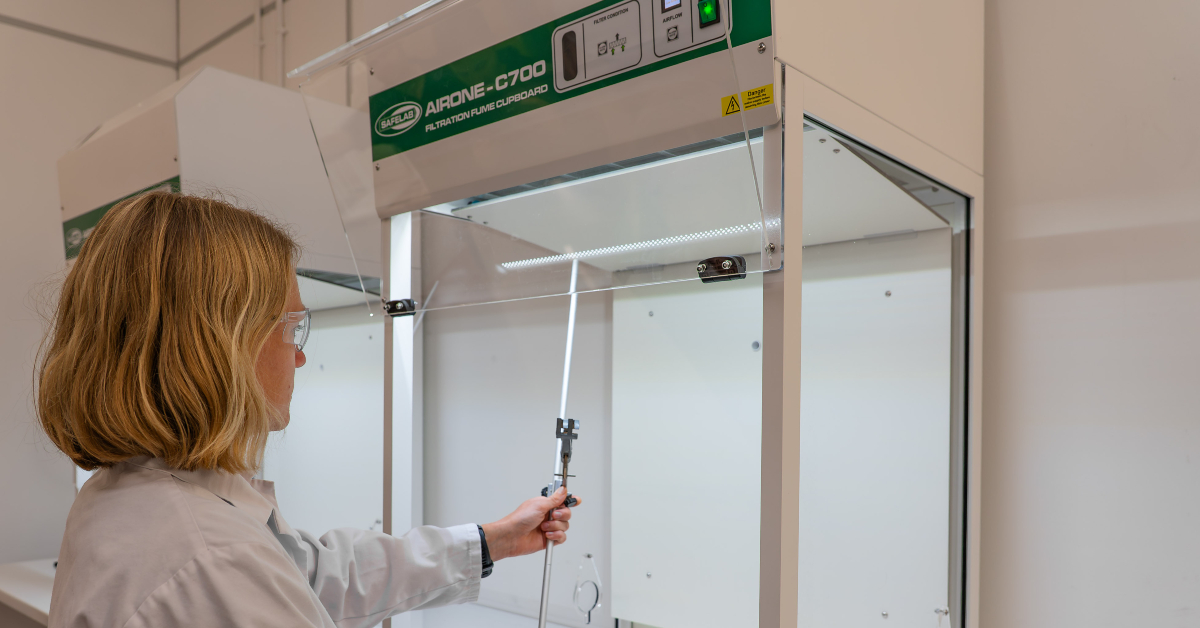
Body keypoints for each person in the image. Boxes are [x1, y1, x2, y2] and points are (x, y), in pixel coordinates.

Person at [36, 192, 579, 627]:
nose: (298, 355)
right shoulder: (209, 561)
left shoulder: (131, 498)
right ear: (221, 344)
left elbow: (307, 580)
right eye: (290, 327)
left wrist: (492, 540)